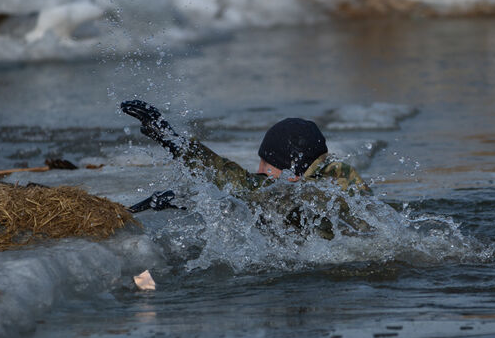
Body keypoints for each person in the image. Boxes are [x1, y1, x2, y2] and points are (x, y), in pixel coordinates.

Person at [120, 100, 373, 239]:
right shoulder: (343, 184)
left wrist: (170, 139)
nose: (258, 171)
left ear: (293, 174)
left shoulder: (303, 196)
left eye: (265, 167)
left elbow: (243, 187)